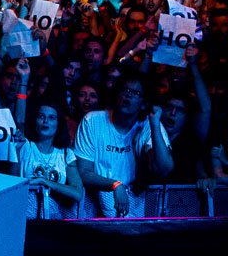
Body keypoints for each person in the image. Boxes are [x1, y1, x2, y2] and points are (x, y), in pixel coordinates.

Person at [73, 76, 172, 218]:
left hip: (136, 208)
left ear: (144, 104)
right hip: (94, 208)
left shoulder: (149, 125)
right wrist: (115, 185)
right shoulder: (93, 120)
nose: (128, 95)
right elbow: (83, 172)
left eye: (136, 93)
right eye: (125, 90)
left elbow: (165, 168)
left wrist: (155, 125)